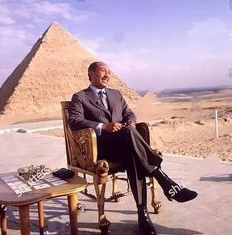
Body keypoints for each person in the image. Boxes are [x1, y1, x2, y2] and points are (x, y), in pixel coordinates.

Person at [69, 61, 197, 235]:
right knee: (130, 138)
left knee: (133, 156)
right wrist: (103, 126)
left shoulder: (116, 94)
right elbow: (75, 121)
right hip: (103, 147)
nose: (107, 75)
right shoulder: (80, 97)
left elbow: (129, 113)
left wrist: (130, 121)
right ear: (90, 74)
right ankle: (163, 178)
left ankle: (142, 214)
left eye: (109, 72)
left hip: (126, 143)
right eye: (102, 71)